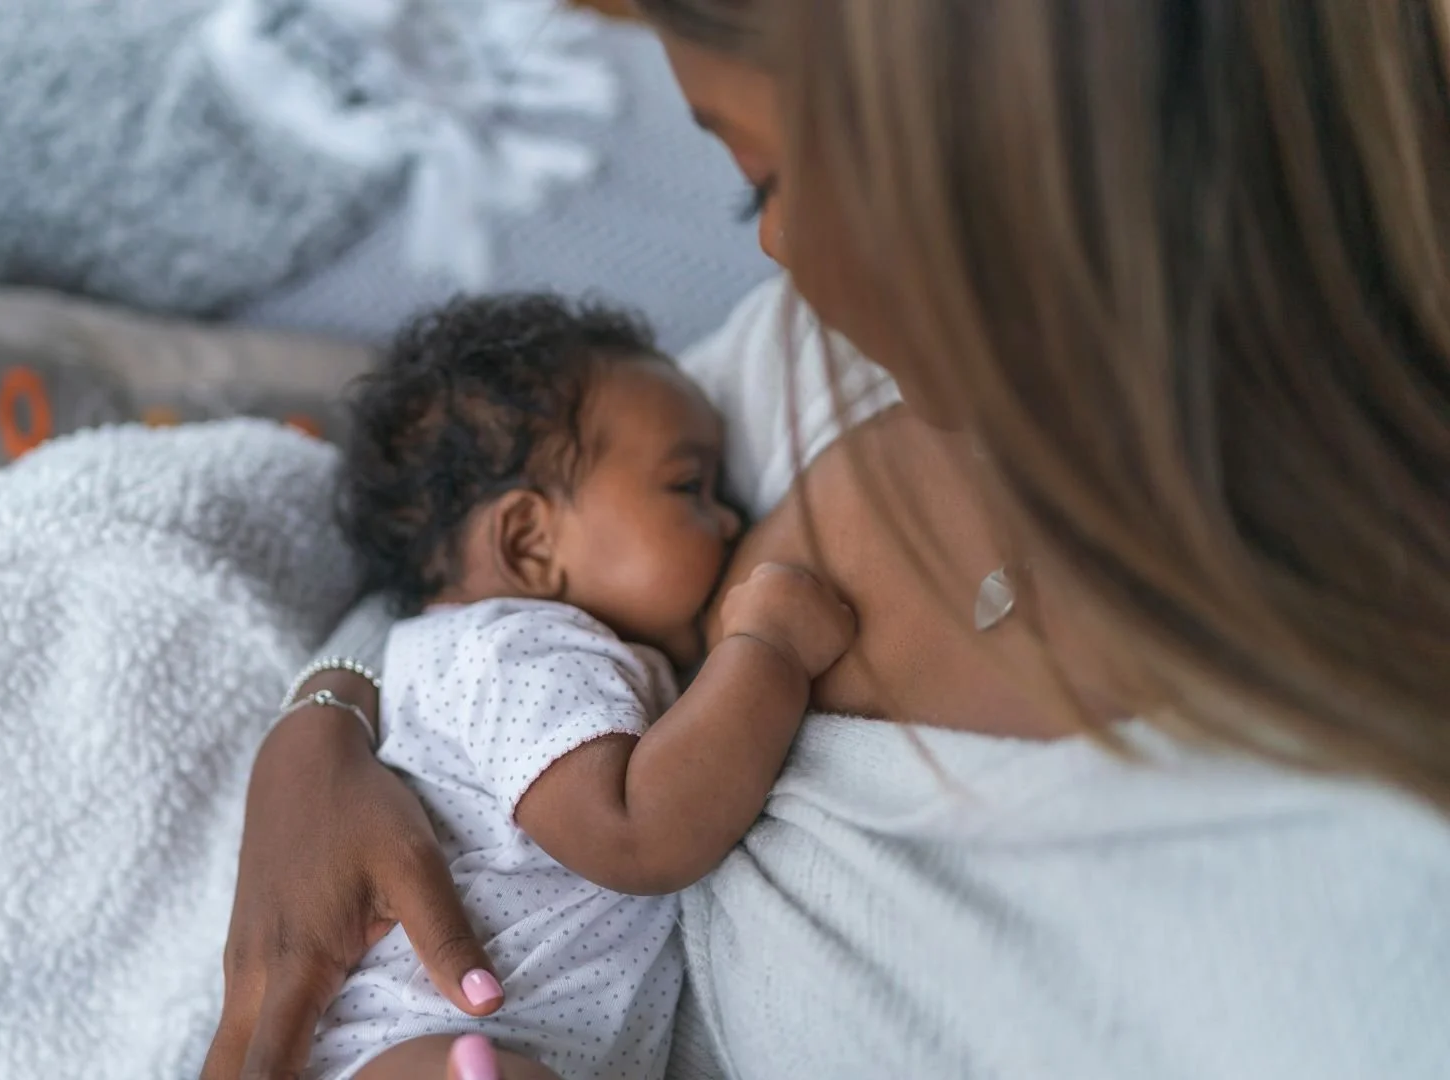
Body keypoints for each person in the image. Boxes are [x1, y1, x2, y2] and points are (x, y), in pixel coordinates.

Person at [204, 3, 1450, 1078]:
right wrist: (323, 723)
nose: (775, 252)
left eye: (769, 176)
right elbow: (462, 550)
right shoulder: (806, 367)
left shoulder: (1352, 878)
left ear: (996, 121)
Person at [303, 293, 852, 1080]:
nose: (729, 520)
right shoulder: (519, 649)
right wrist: (769, 650)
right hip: (412, 1048)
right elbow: (637, 830)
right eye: (688, 486)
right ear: (529, 542)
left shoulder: (499, 655)